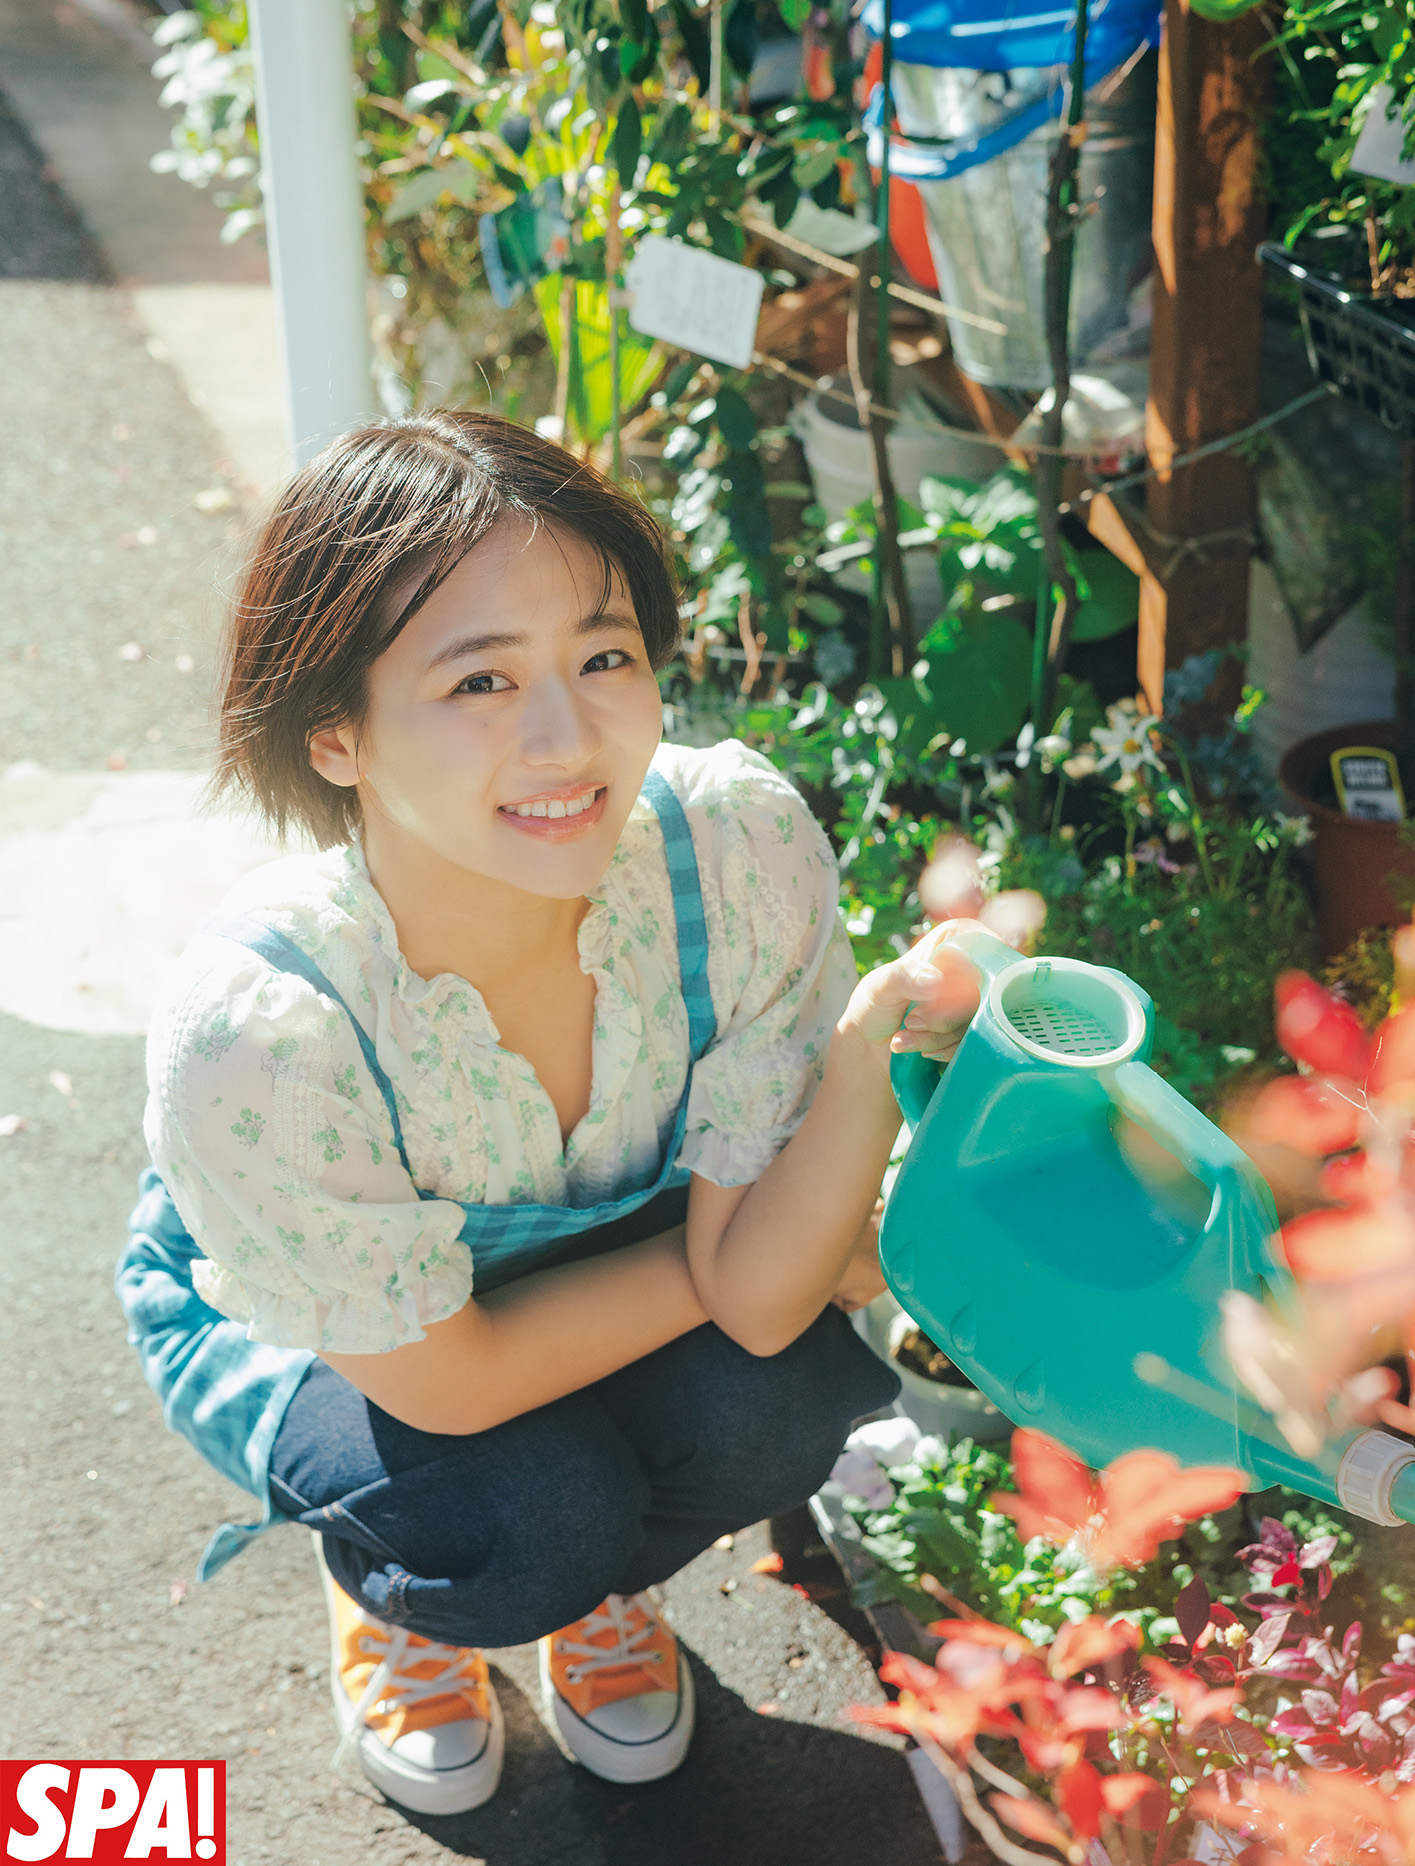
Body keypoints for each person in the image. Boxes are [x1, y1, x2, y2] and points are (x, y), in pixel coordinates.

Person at [117, 411, 979, 1816]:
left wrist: (871, 1045)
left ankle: (599, 1583)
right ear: (334, 731)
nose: (568, 736)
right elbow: (451, 1380)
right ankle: (406, 1600)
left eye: (603, 655)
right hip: (357, 1336)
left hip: (606, 1262)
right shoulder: (266, 1034)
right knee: (524, 1514)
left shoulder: (728, 855)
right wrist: (730, 1254)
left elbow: (764, 1313)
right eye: (479, 681)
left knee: (787, 1398)